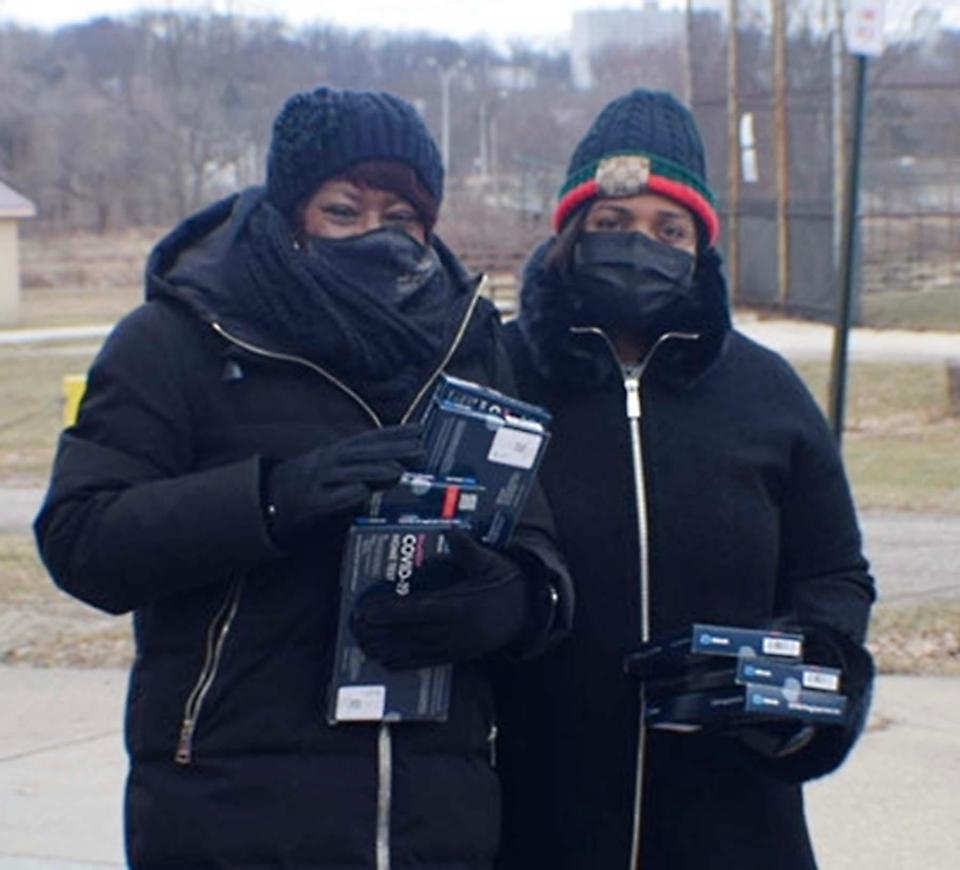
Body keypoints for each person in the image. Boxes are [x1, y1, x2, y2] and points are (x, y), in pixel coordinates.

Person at [34, 86, 571, 869]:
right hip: (231, 817)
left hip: (435, 822)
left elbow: (536, 542)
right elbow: (81, 537)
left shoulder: (471, 345)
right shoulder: (177, 339)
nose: (376, 237)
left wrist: (513, 600)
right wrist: (270, 500)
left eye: (401, 219)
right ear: (290, 212)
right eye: (343, 211)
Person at [493, 89, 875, 869]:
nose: (642, 244)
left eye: (670, 230)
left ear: (701, 249)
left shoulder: (767, 393)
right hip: (524, 823)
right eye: (614, 223)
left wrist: (797, 677)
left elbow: (835, 575)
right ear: (572, 232)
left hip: (734, 826)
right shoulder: (492, 374)